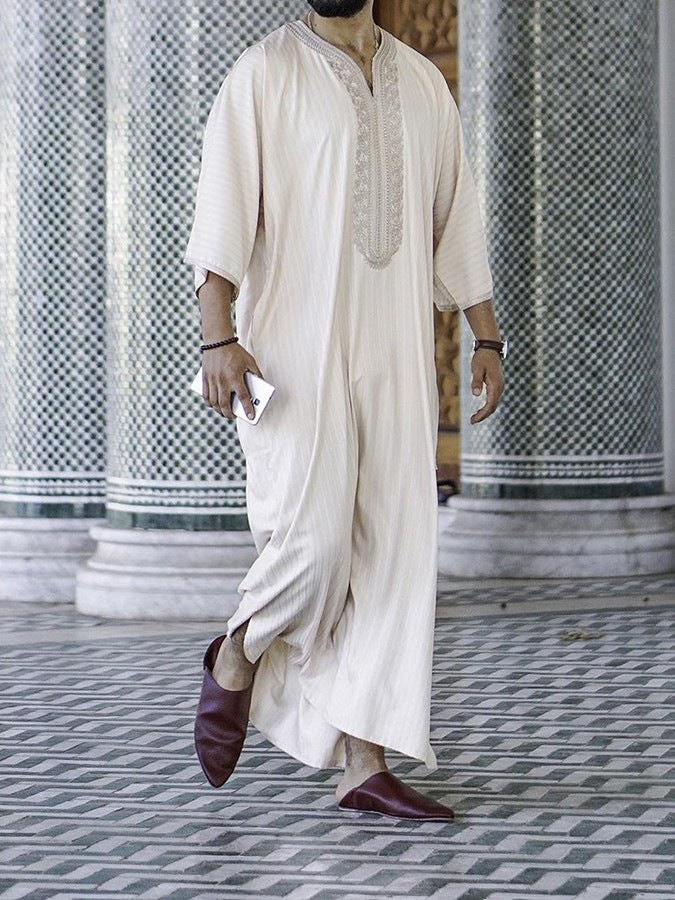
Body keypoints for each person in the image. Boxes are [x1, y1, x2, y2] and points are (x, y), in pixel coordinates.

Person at [184, 0, 505, 821]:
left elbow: (455, 213)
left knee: (393, 552)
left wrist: (487, 337)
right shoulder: (263, 74)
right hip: (292, 353)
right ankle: (240, 649)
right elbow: (221, 215)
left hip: (396, 349)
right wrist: (218, 338)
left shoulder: (422, 82)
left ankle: (363, 765)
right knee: (314, 543)